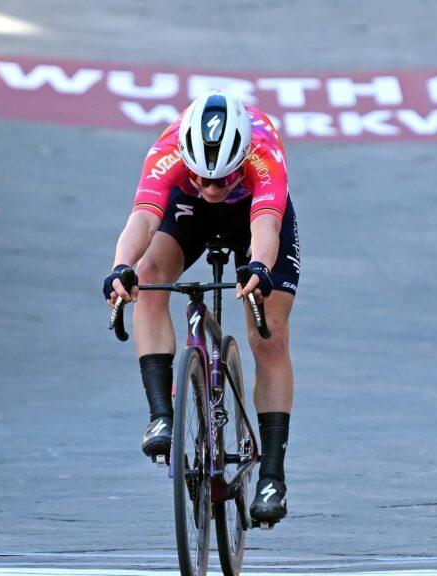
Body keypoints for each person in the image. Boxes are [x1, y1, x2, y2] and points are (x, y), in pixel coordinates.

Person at [104, 92, 300, 526]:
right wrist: (121, 266)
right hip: (186, 213)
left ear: (244, 156)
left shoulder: (264, 155)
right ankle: (160, 416)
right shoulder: (168, 151)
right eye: (201, 178)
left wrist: (260, 268)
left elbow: (267, 224)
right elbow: (143, 218)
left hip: (253, 214)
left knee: (268, 335)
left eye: (222, 179)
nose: (211, 188)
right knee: (150, 274)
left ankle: (272, 474)